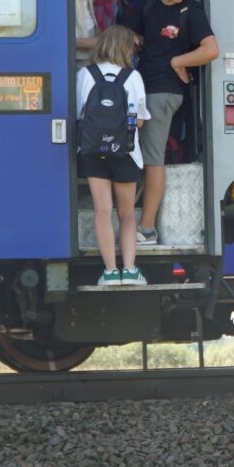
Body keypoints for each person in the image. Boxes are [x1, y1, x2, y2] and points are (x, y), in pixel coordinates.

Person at [121, 0, 219, 246]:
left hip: (164, 93)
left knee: (152, 161)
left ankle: (147, 228)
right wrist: (132, 37)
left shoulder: (192, 11)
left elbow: (211, 50)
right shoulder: (147, 4)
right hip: (142, 89)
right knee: (140, 156)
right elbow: (123, 29)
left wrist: (179, 62)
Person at [75, 25, 151, 286]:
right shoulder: (133, 77)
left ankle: (109, 271)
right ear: (126, 48)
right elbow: (140, 121)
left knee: (102, 210)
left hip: (93, 152)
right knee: (127, 213)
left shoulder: (85, 74)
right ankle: (129, 269)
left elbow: (80, 116)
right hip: (125, 152)